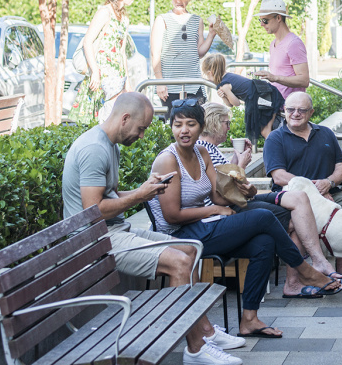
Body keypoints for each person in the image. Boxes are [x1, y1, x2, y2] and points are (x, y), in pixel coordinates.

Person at [62, 92, 244, 365]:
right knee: (179, 262)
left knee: (190, 249)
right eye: (141, 128)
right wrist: (140, 195)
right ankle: (195, 350)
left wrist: (146, 189)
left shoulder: (109, 144)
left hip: (112, 232)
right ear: (125, 118)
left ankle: (204, 329)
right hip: (93, 240)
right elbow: (93, 210)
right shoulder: (95, 149)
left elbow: (109, 196)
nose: (142, 135)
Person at [148, 99, 342, 336]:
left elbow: (218, 197)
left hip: (202, 226)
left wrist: (246, 192)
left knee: (264, 243)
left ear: (201, 126)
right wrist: (214, 211)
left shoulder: (201, 153)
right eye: (178, 125)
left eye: (190, 124)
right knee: (262, 217)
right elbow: (172, 216)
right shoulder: (168, 160)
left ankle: (249, 319)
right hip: (178, 236)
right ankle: (304, 270)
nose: (184, 130)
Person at [196, 102, 342, 284]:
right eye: (226, 123)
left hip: (237, 201)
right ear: (215, 123)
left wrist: (236, 159)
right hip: (226, 209)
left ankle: (313, 266)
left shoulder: (211, 149)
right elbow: (223, 193)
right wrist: (241, 165)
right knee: (296, 219)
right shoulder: (204, 151)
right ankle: (300, 277)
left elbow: (227, 182)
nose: (228, 127)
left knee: (298, 199)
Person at [263, 91, 342, 279]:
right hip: (294, 199)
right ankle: (306, 274)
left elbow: (341, 166)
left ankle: (340, 269)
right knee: (299, 224)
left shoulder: (325, 133)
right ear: (284, 110)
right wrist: (313, 191)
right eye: (291, 109)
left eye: (302, 110)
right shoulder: (275, 138)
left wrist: (329, 182)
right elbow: (278, 176)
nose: (295, 114)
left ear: (311, 112)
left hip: (332, 194)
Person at [69, 0, 144, 125]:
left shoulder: (124, 19)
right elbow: (87, 41)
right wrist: (95, 72)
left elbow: (122, 53)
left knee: (116, 122)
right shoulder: (104, 12)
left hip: (117, 77)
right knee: (99, 122)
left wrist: (127, 82)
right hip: (101, 76)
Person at [151, 0, 216, 116]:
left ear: (189, 0)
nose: (178, 1)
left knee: (197, 121)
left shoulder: (197, 20)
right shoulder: (162, 19)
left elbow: (199, 52)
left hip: (194, 84)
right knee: (174, 122)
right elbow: (155, 53)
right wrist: (160, 82)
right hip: (170, 85)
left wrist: (211, 35)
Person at [200, 53, 284, 142]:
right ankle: (276, 147)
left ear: (210, 73)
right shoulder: (227, 78)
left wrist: (227, 91)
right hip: (265, 92)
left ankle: (274, 149)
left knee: (265, 131)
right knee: (267, 130)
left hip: (263, 95)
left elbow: (236, 103)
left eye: (206, 75)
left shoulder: (225, 84)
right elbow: (230, 104)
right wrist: (223, 97)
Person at [254, 0, 308, 99]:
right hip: (276, 104)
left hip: (291, 106)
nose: (261, 24)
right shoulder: (273, 44)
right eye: (260, 20)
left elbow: (304, 80)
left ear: (278, 18)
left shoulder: (294, 43)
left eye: (265, 20)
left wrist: (275, 78)